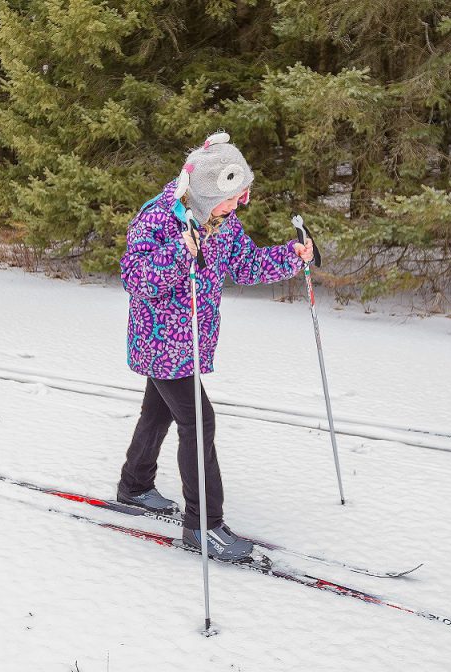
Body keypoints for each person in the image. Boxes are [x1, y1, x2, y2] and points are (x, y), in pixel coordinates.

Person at [117, 132, 314, 561]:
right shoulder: (158, 218)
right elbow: (136, 278)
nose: (239, 205)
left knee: (159, 410)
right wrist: (180, 253)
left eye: (242, 196)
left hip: (192, 336)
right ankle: (203, 526)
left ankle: (134, 484)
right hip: (163, 340)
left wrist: (292, 256)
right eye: (234, 198)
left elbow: (245, 264)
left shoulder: (219, 221)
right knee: (199, 421)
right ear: (206, 190)